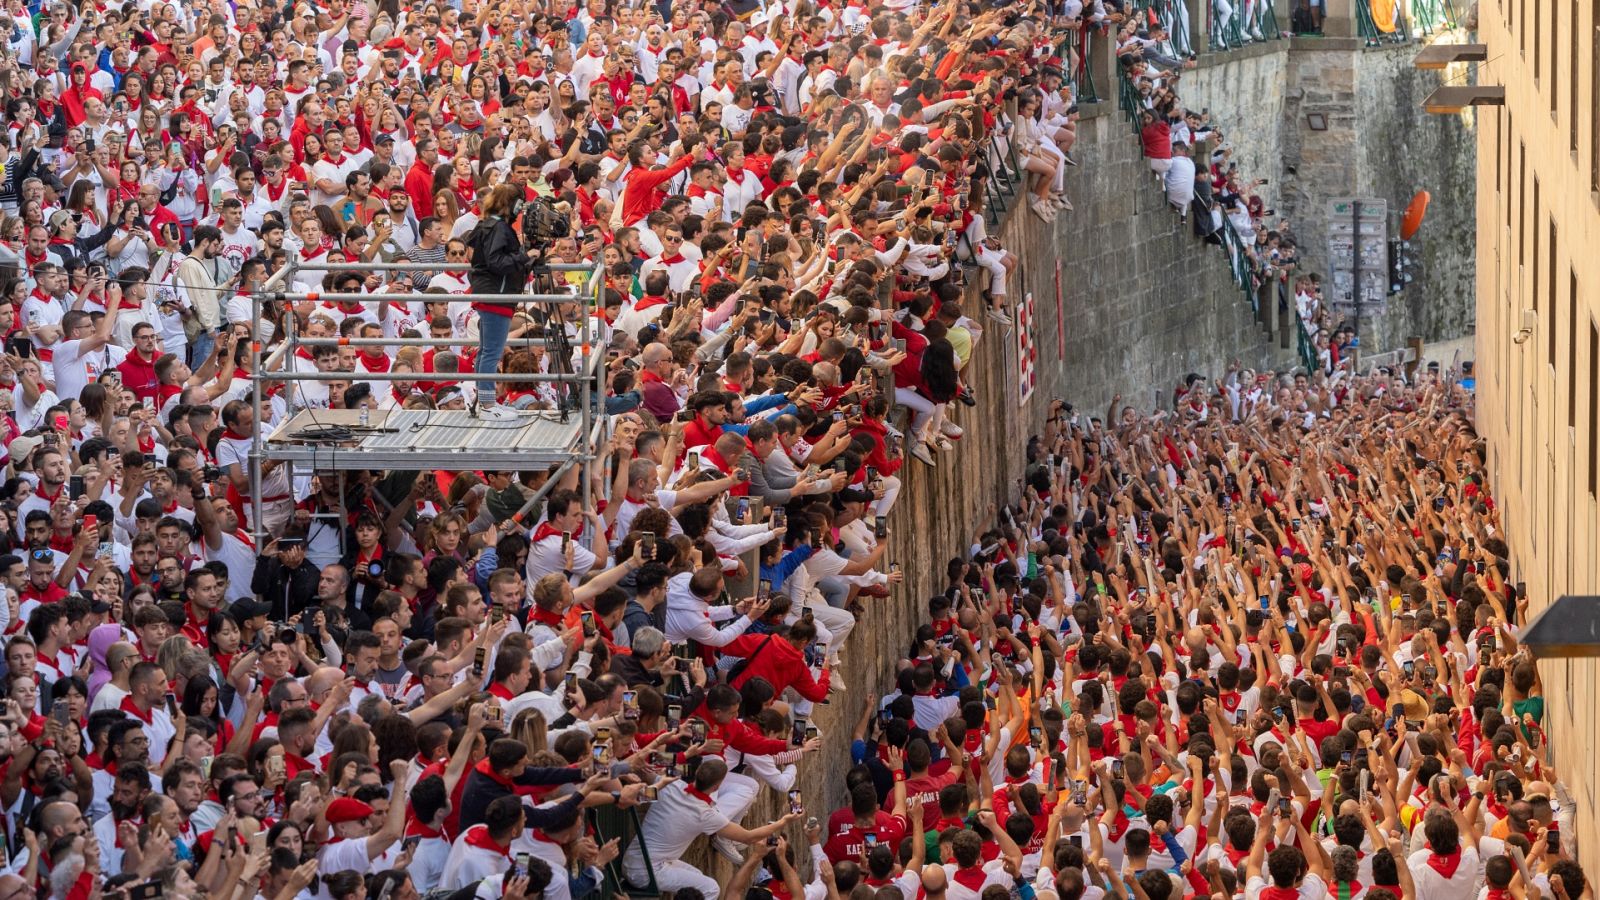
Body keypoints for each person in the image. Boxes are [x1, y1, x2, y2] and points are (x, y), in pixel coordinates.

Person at [465, 184, 537, 408]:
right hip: (496, 296)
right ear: (511, 204)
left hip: (492, 294)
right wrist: (525, 256)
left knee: (486, 351)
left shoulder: (488, 225)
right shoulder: (499, 228)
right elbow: (496, 262)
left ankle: (482, 402)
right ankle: (487, 404)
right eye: (519, 204)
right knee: (492, 353)